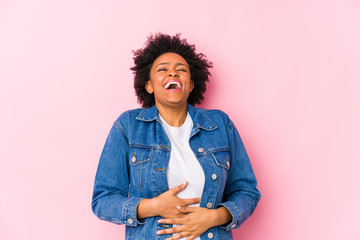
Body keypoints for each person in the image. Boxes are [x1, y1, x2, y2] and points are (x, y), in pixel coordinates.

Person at [91, 33, 261, 240]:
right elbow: (103, 201)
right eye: (162, 69)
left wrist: (214, 217)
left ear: (190, 85)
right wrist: (153, 206)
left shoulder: (220, 124)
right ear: (149, 85)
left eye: (181, 70)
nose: (173, 73)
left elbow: (247, 191)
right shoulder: (128, 126)